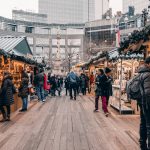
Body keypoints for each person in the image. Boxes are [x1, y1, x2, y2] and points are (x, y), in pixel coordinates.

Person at [137, 57, 150, 150]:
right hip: (147, 104)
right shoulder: (148, 75)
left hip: (141, 103)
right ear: (148, 64)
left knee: (143, 124)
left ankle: (142, 144)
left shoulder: (140, 73)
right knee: (149, 126)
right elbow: (148, 93)